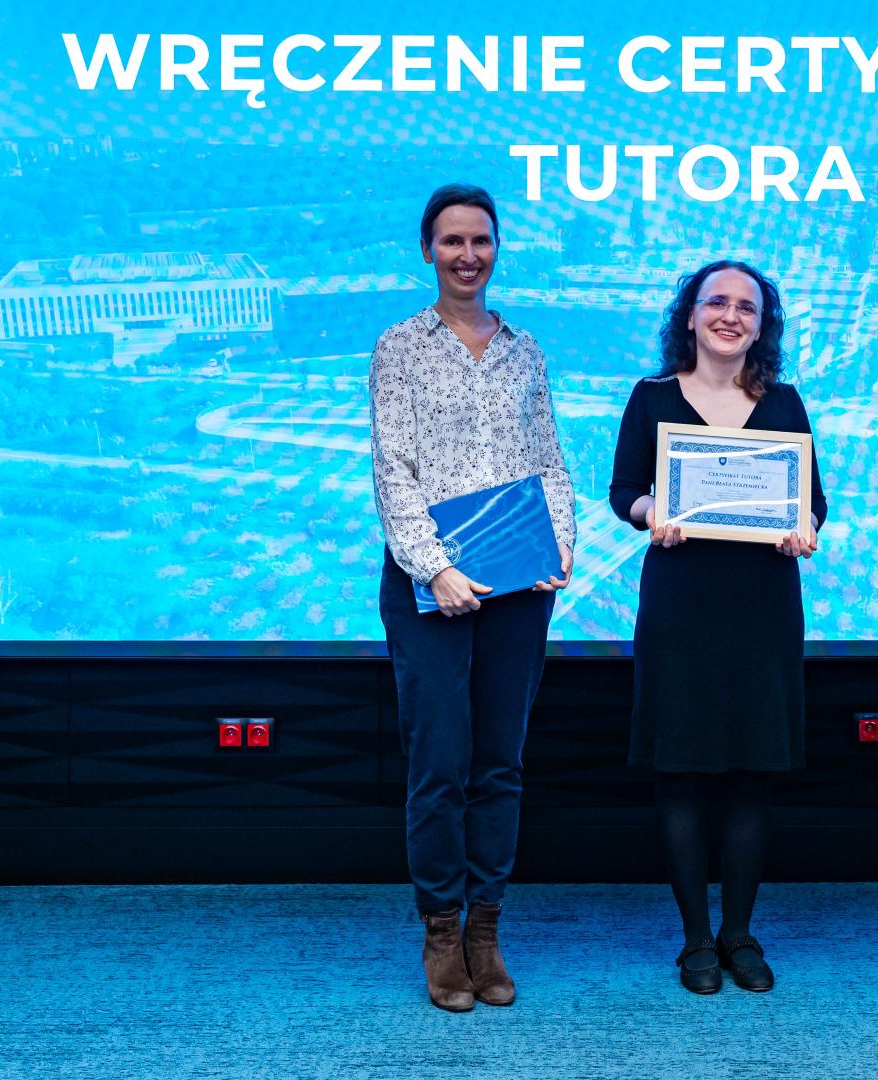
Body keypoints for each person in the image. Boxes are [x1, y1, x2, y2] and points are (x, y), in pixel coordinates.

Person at [370, 183, 576, 1013]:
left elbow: (549, 459)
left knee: (499, 765)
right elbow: (393, 469)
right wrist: (434, 569)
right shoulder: (399, 347)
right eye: (452, 241)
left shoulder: (525, 349)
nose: (467, 255)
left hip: (521, 587)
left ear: (497, 249)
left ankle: (486, 930)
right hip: (432, 590)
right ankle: (441, 931)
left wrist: (561, 543)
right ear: (428, 250)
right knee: (440, 766)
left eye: (480, 241)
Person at [608, 260, 826, 995]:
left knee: (750, 774)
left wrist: (804, 526)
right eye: (717, 302)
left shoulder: (785, 403)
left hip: (762, 606)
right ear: (691, 315)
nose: (731, 316)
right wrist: (652, 512)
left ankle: (739, 934)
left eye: (747, 307)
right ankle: (696, 940)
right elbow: (624, 491)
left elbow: (814, 502)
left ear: (762, 327)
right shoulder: (652, 397)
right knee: (681, 771)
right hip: (681, 602)